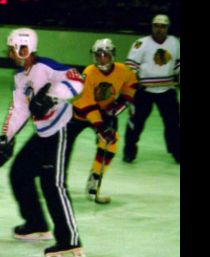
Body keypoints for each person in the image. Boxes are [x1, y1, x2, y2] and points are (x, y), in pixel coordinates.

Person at [0, 28, 85, 257]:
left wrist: (52, 96)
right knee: (19, 173)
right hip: (42, 133)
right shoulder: (20, 77)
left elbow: (77, 80)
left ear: (25, 49)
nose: (10, 54)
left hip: (60, 129)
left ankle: (70, 241)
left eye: (13, 49)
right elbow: (19, 109)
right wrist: (5, 138)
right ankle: (36, 224)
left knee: (53, 184)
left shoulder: (46, 67)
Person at [68, 39, 138, 200]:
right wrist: (100, 127)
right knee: (62, 147)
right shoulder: (90, 72)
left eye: (105, 55)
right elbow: (87, 103)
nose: (101, 58)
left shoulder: (123, 70)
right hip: (80, 114)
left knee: (111, 143)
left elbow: (132, 83)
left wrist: (120, 104)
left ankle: (94, 180)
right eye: (97, 55)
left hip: (104, 114)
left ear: (112, 55)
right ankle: (50, 180)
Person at [123, 14, 180, 163]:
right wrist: (133, 84)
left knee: (173, 122)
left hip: (167, 89)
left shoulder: (174, 42)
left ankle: (176, 151)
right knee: (136, 122)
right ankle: (129, 150)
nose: (159, 29)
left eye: (163, 26)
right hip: (144, 91)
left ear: (167, 28)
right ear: (152, 26)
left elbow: (177, 65)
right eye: (156, 26)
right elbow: (130, 68)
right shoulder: (141, 44)